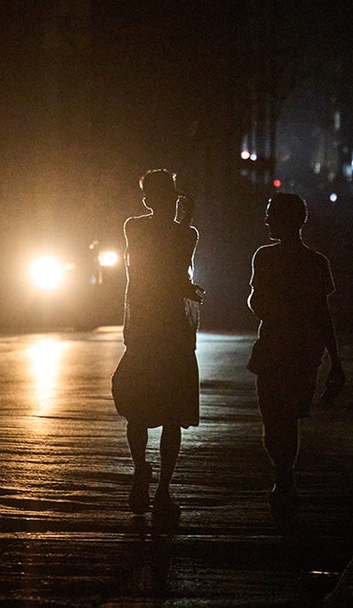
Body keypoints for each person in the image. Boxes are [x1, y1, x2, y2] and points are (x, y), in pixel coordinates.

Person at [247, 193, 346, 520]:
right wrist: (335, 361)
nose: (266, 221)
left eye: (271, 214)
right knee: (288, 418)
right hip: (304, 350)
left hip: (275, 345)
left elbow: (256, 303)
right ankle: (285, 476)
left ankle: (282, 475)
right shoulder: (317, 263)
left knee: (273, 416)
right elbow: (322, 313)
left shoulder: (264, 257)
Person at [111, 169, 203, 520]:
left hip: (147, 328)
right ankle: (161, 486)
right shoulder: (184, 233)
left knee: (141, 408)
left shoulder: (135, 227)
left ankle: (145, 474)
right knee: (170, 413)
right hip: (169, 330)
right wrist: (185, 215)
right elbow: (176, 266)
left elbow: (157, 269)